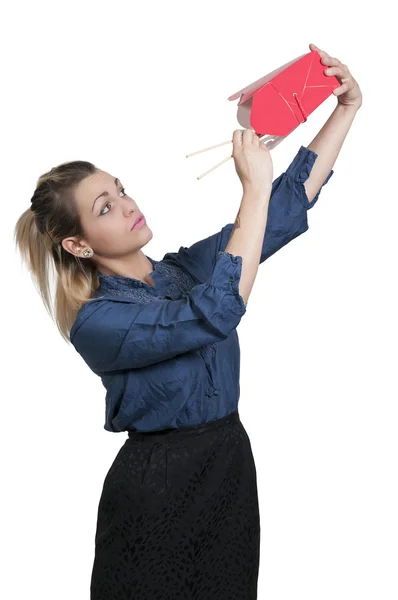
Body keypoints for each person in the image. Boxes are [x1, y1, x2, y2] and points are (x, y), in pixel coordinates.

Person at [13, 45, 361, 600]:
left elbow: (282, 210)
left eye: (120, 189)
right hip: (157, 490)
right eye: (104, 207)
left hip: (228, 470)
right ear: (76, 244)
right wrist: (251, 191)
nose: (128, 204)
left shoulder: (181, 271)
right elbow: (217, 311)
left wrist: (344, 110)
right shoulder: (97, 322)